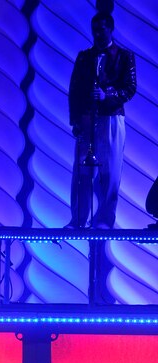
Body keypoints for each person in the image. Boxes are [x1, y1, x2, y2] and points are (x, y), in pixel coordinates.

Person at [66, 12, 136, 229]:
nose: (97, 34)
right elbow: (74, 90)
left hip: (112, 119)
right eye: (95, 29)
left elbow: (130, 88)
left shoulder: (124, 56)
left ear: (110, 29)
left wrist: (109, 97)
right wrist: (75, 121)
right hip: (87, 119)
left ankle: (104, 220)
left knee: (110, 172)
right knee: (81, 172)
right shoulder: (84, 57)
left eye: (102, 29)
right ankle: (78, 219)